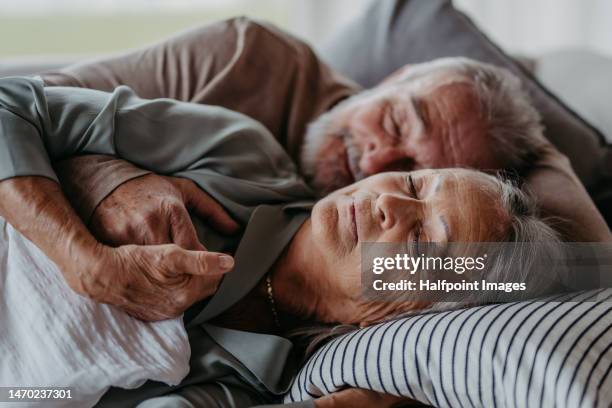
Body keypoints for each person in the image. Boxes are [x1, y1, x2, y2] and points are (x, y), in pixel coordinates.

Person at [0, 76, 563, 407]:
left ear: (404, 314)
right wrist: (77, 253)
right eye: (415, 184)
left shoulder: (243, 386)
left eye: (423, 240)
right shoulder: (238, 155)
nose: (390, 202)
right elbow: (8, 103)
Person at [34, 18, 609, 321]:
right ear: (391, 75)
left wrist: (549, 154)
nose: (378, 161)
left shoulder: (378, 274)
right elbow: (22, 107)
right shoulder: (247, 59)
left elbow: (592, 272)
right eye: (399, 122)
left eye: (419, 168)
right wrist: (109, 181)